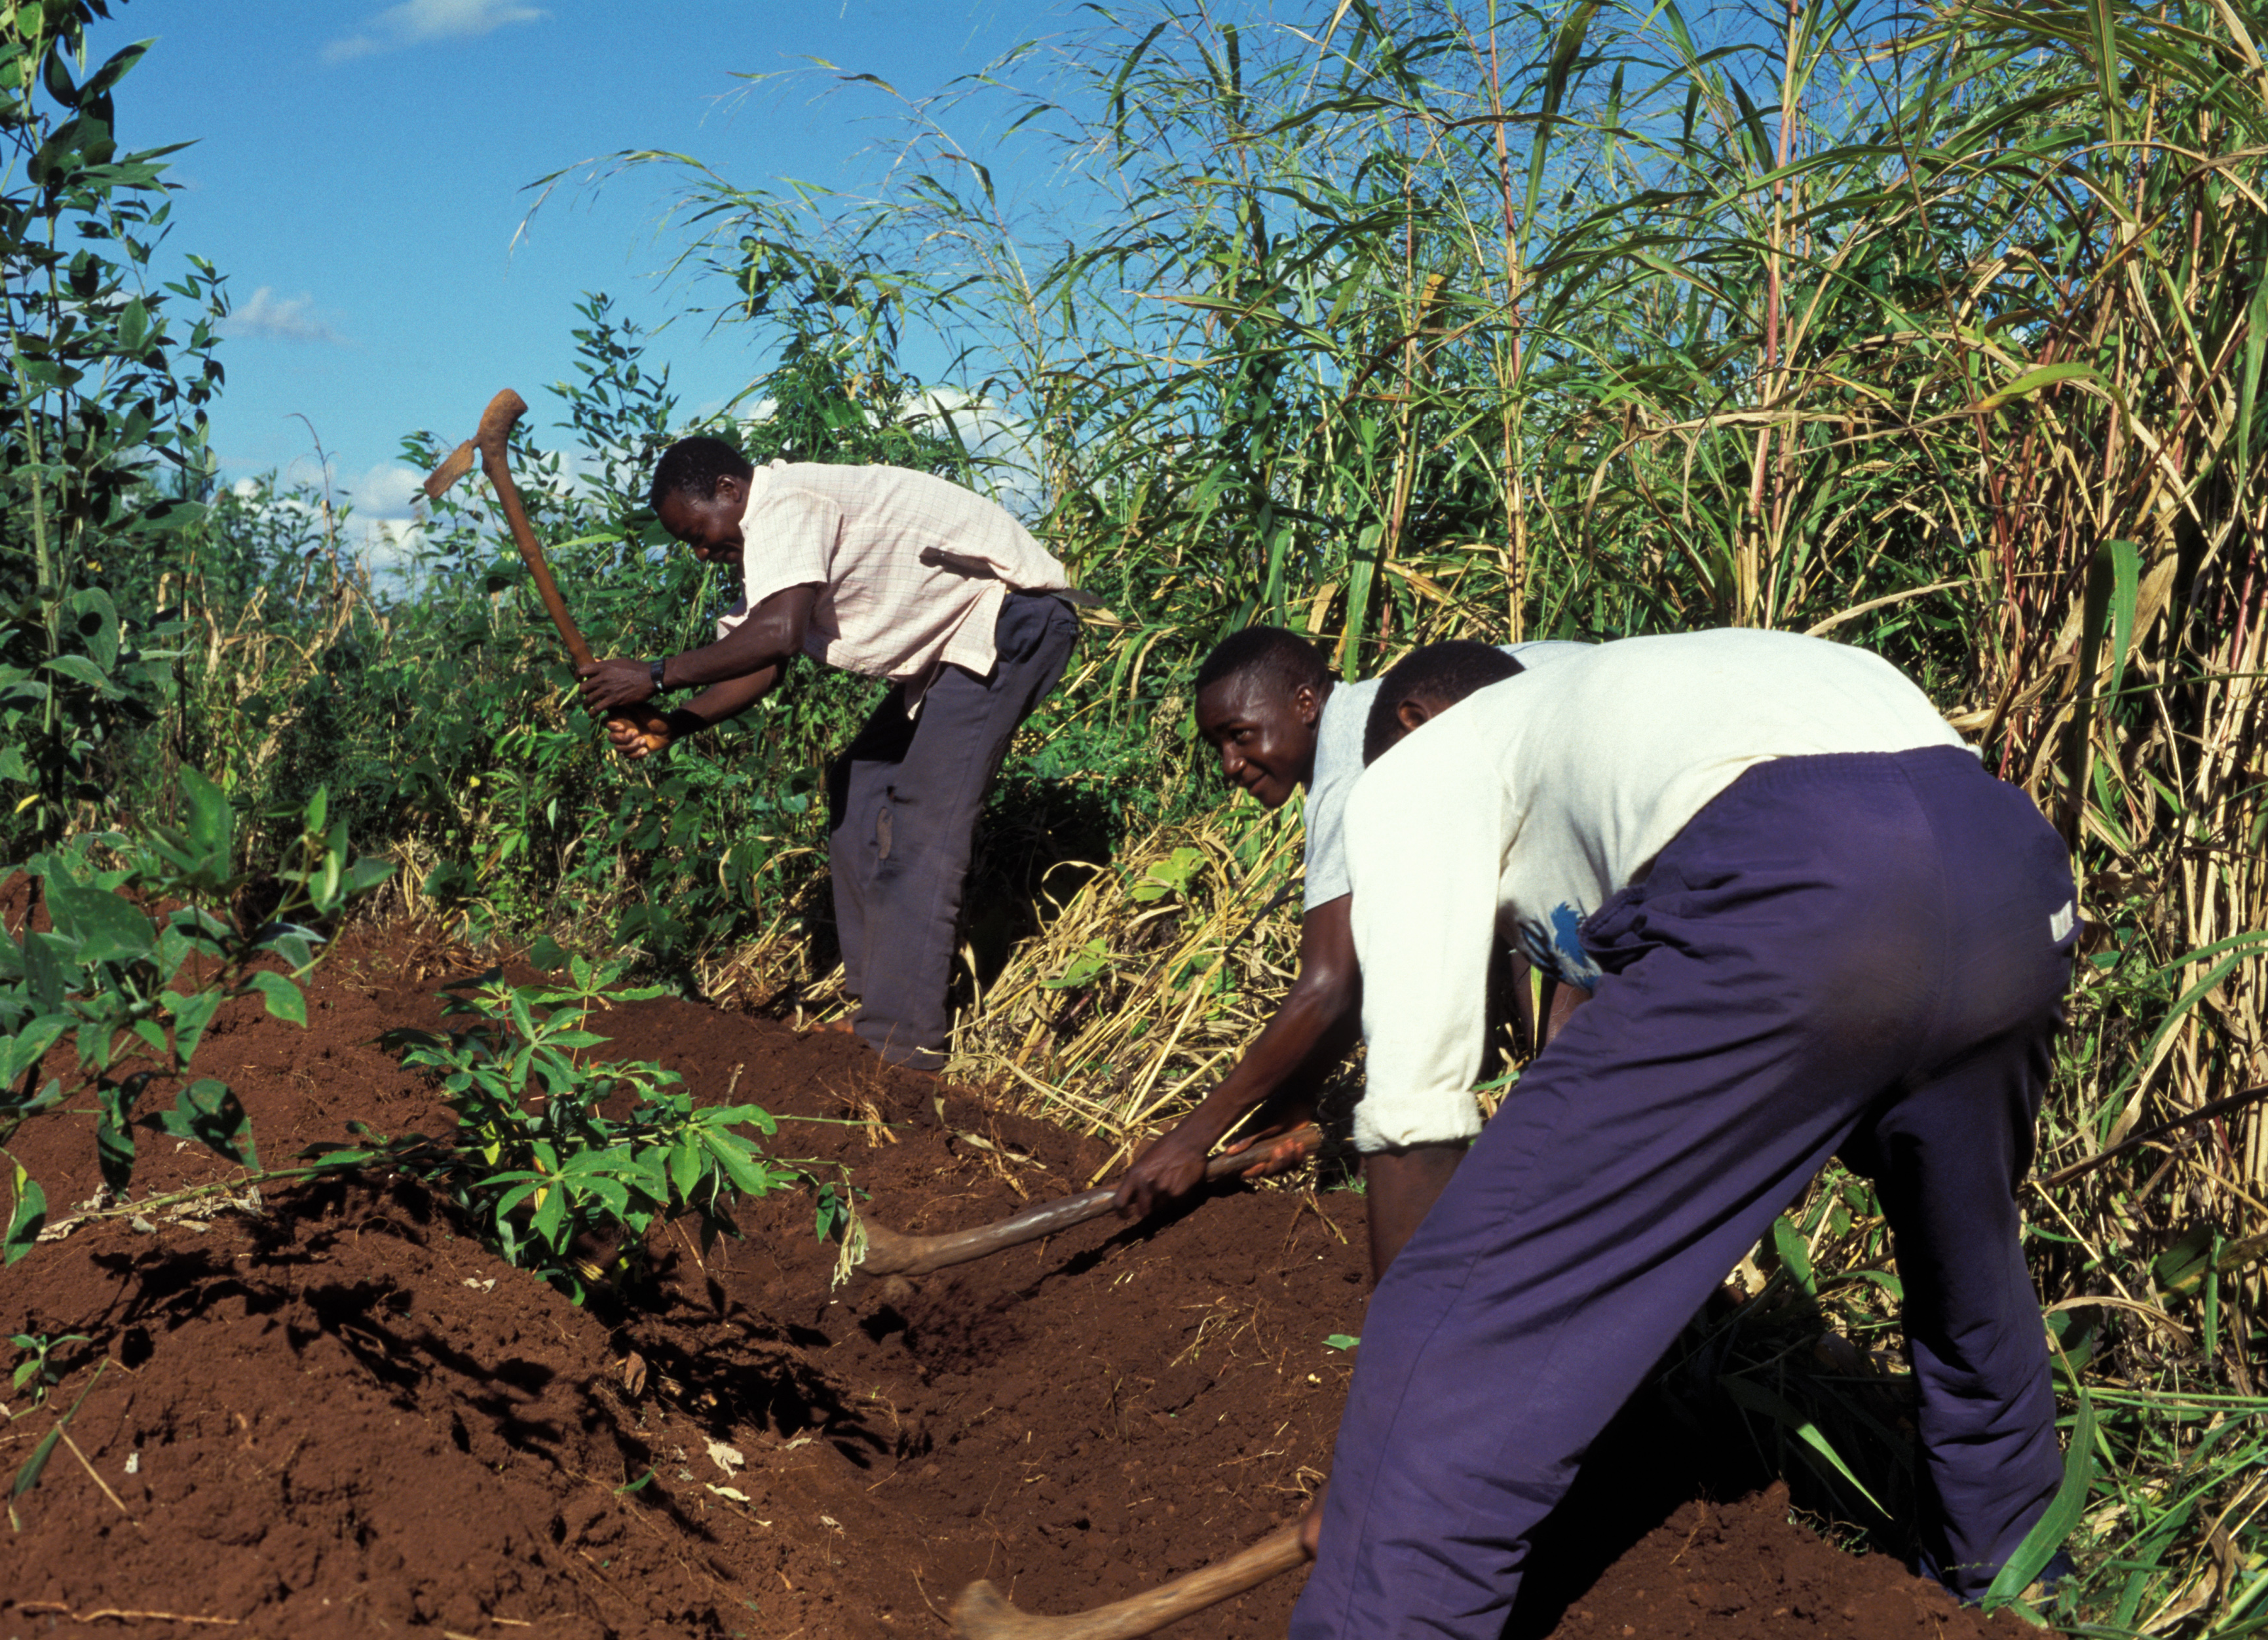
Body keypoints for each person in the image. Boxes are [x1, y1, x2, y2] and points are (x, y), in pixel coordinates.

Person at [1292, 632, 2076, 1637]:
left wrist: (1390, 1443)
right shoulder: (1604, 702)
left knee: (1449, 1315)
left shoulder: (1415, 772)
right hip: (2009, 874)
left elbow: (1412, 1120)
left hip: (1803, 873)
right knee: (1969, 1279)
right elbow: (1603, 1038)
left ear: (1407, 722)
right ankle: (2016, 1598)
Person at [579, 437, 1082, 1072]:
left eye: (700, 533)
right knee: (860, 782)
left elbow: (780, 633)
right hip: (957, 644)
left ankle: (902, 1044)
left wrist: (653, 674)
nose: (704, 553)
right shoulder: (769, 534)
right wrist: (672, 722)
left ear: (731, 492)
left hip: (1011, 623)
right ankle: (881, 1008)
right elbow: (761, 664)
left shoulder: (786, 503)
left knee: (924, 824)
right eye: (691, 546)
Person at [1110, 626, 1586, 1280]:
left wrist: (1192, 1139)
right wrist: (1297, 1098)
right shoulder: (1388, 708)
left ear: (1306, 703)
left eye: (1240, 733)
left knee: (1548, 958)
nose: (1228, 764)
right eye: (1216, 744)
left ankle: (1563, 1191)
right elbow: (1369, 957)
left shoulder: (1352, 764)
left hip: (1615, 754)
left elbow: (1328, 983)